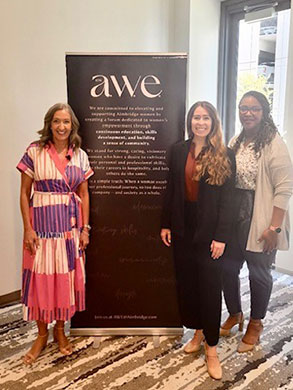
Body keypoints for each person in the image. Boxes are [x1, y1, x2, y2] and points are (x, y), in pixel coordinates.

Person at [160, 101, 235, 380]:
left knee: (210, 287)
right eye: (196, 117)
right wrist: (166, 223)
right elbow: (171, 189)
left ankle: (212, 347)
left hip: (210, 231)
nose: (200, 122)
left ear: (213, 121)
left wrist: (221, 236)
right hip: (182, 227)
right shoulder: (178, 150)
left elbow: (229, 201)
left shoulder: (224, 154)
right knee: (189, 285)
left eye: (205, 118)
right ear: (190, 121)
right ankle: (198, 332)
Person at [17, 103, 94, 364]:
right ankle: (41, 335)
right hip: (40, 230)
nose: (62, 127)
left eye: (66, 122)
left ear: (72, 125)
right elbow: (24, 193)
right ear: (49, 124)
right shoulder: (34, 152)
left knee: (63, 280)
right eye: (57, 121)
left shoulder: (80, 155)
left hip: (68, 231)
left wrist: (85, 228)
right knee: (40, 281)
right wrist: (27, 229)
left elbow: (84, 194)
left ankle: (60, 331)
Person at [220, 91, 293, 353]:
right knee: (227, 268)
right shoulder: (236, 141)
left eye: (254, 108)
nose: (247, 113)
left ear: (264, 112)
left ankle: (256, 323)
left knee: (259, 273)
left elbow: (284, 188)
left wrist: (274, 227)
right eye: (243, 108)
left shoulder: (274, 143)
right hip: (233, 213)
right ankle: (235, 313)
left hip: (261, 213)